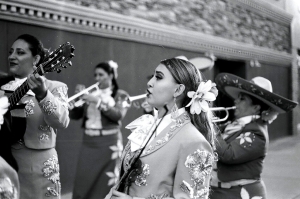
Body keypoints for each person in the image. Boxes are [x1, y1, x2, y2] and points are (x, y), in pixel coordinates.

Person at [105, 57, 218, 199]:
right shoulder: (148, 125)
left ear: (178, 90)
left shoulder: (194, 141)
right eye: (153, 76)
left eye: (158, 77)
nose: (149, 82)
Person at [0, 34, 70, 198]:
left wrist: (43, 95)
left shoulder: (54, 87)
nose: (12, 56)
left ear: (36, 58)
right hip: (4, 163)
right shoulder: (2, 88)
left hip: (38, 166)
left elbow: (62, 121)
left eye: (20, 52)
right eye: (11, 52)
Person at [210, 73, 298, 199]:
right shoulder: (234, 125)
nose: (235, 101)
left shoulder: (257, 133)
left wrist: (210, 126)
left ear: (256, 107)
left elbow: (228, 154)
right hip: (219, 191)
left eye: (242, 99)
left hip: (241, 193)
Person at [69, 60, 130, 199]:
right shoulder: (90, 93)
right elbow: (75, 116)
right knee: (83, 179)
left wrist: (97, 101)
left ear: (111, 75)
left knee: (105, 180)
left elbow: (118, 115)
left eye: (101, 75)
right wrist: (76, 102)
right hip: (88, 142)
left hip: (109, 143)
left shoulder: (122, 95)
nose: (97, 78)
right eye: (95, 75)